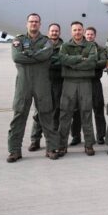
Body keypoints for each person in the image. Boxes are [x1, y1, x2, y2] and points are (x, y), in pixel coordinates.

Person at [7, 13, 59, 162]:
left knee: (47, 115)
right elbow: (17, 57)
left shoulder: (46, 41)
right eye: (31, 21)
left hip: (42, 83)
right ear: (26, 24)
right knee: (19, 115)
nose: (33, 24)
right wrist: (37, 55)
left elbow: (46, 54)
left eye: (36, 22)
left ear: (40, 24)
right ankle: (14, 151)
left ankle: (51, 148)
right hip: (24, 83)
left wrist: (28, 54)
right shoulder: (18, 40)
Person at [57, 21, 97, 156]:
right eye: (75, 30)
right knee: (65, 114)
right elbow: (63, 59)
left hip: (85, 83)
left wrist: (72, 64)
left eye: (80, 30)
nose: (77, 32)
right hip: (69, 83)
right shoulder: (65, 46)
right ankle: (62, 145)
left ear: (83, 30)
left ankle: (89, 145)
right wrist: (81, 59)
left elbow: (92, 62)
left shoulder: (91, 45)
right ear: (71, 31)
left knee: (86, 113)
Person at [28, 22, 63, 152]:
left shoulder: (63, 46)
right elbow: (39, 58)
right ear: (48, 32)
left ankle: (53, 142)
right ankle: (35, 141)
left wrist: (47, 59)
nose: (54, 33)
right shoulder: (43, 44)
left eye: (56, 31)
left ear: (59, 32)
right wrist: (51, 60)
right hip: (42, 82)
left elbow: (62, 61)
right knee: (39, 113)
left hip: (58, 83)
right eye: (52, 31)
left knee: (55, 113)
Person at [69, 27, 107, 145]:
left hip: (95, 83)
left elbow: (103, 62)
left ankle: (100, 136)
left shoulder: (100, 49)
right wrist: (89, 63)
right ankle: (76, 136)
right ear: (85, 35)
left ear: (95, 36)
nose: (90, 36)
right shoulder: (81, 48)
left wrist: (88, 63)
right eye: (88, 34)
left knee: (98, 110)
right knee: (77, 111)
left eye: (92, 34)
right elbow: (75, 61)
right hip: (81, 82)